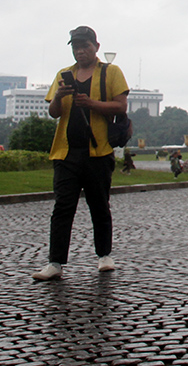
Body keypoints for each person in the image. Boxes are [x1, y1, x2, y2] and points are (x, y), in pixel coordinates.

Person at [31, 26, 130, 281]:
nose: (80, 51)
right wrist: (58, 97)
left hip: (98, 151)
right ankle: (55, 262)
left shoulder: (111, 72)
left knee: (99, 205)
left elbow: (120, 105)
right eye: (76, 47)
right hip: (66, 153)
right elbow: (54, 112)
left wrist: (91, 104)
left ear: (96, 46)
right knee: (63, 207)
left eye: (85, 46)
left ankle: (104, 255)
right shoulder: (64, 75)